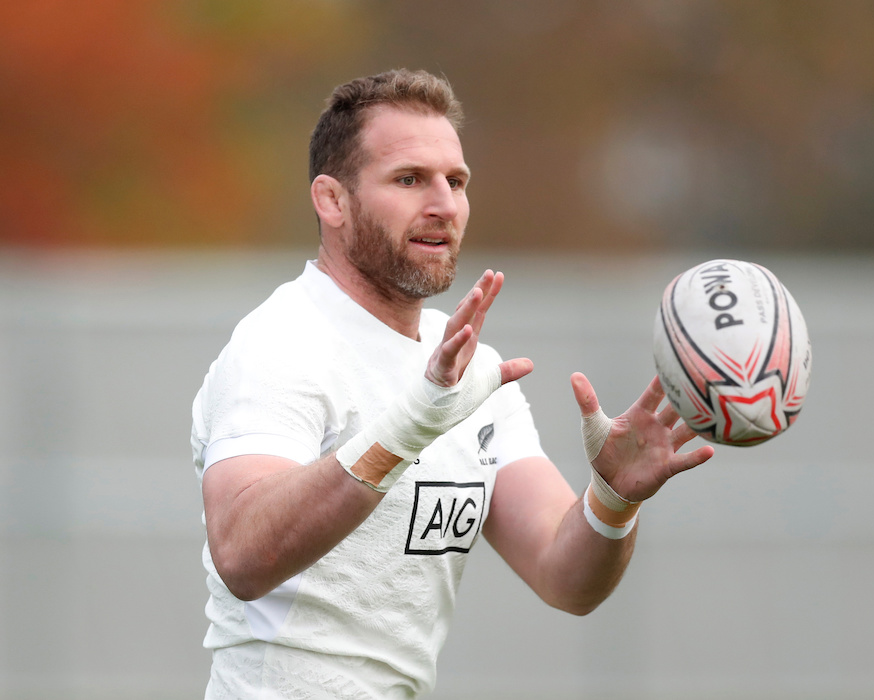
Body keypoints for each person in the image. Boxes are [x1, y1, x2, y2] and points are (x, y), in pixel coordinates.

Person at [190, 68, 715, 699]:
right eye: (409, 179)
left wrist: (612, 499)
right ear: (331, 200)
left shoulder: (471, 368)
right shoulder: (282, 343)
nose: (444, 203)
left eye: (456, 181)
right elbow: (244, 555)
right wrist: (410, 423)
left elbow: (564, 576)